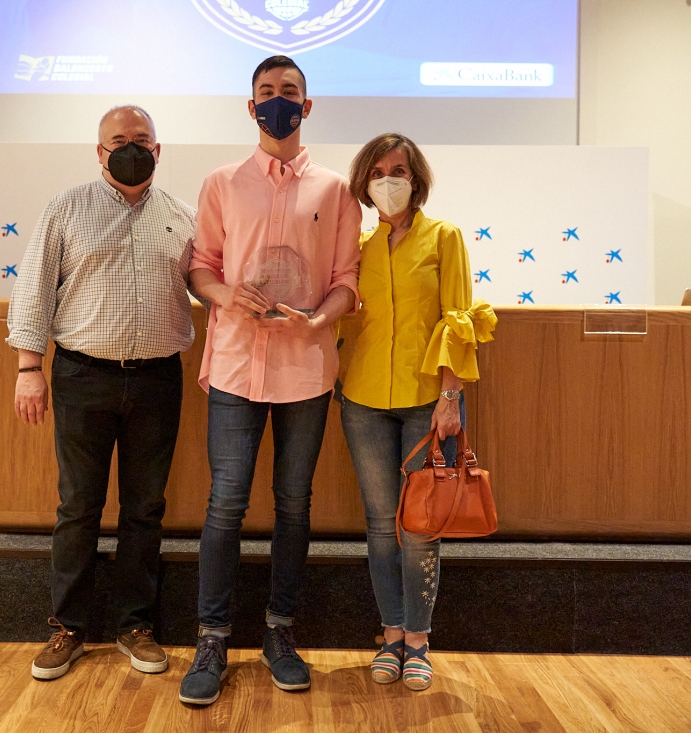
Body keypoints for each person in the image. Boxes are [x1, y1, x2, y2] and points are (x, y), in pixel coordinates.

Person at [178, 55, 362, 706]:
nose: (277, 100)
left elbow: (347, 280)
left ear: (306, 107)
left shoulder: (336, 190)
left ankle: (281, 632)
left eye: (289, 92)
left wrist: (319, 318)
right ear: (250, 105)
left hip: (305, 368)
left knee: (293, 504)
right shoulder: (222, 184)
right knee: (225, 504)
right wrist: (225, 294)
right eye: (266, 91)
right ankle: (211, 639)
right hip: (235, 364)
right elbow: (200, 267)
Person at [7, 105, 197, 681]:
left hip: (158, 378)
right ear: (99, 151)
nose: (130, 148)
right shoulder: (66, 208)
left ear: (158, 150)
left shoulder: (182, 217)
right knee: (78, 506)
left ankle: (135, 626)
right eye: (118, 140)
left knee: (145, 508)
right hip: (82, 375)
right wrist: (29, 366)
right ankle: (68, 627)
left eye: (142, 139)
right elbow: (34, 285)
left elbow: (209, 284)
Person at [339, 133, 496, 691]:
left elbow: (458, 317)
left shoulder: (443, 237)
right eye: (378, 172)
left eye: (399, 170)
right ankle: (390, 634)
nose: (389, 180)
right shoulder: (357, 245)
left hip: (428, 403)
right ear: (365, 182)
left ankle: (418, 641)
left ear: (416, 178)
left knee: (421, 526)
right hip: (362, 400)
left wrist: (451, 397)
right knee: (382, 525)